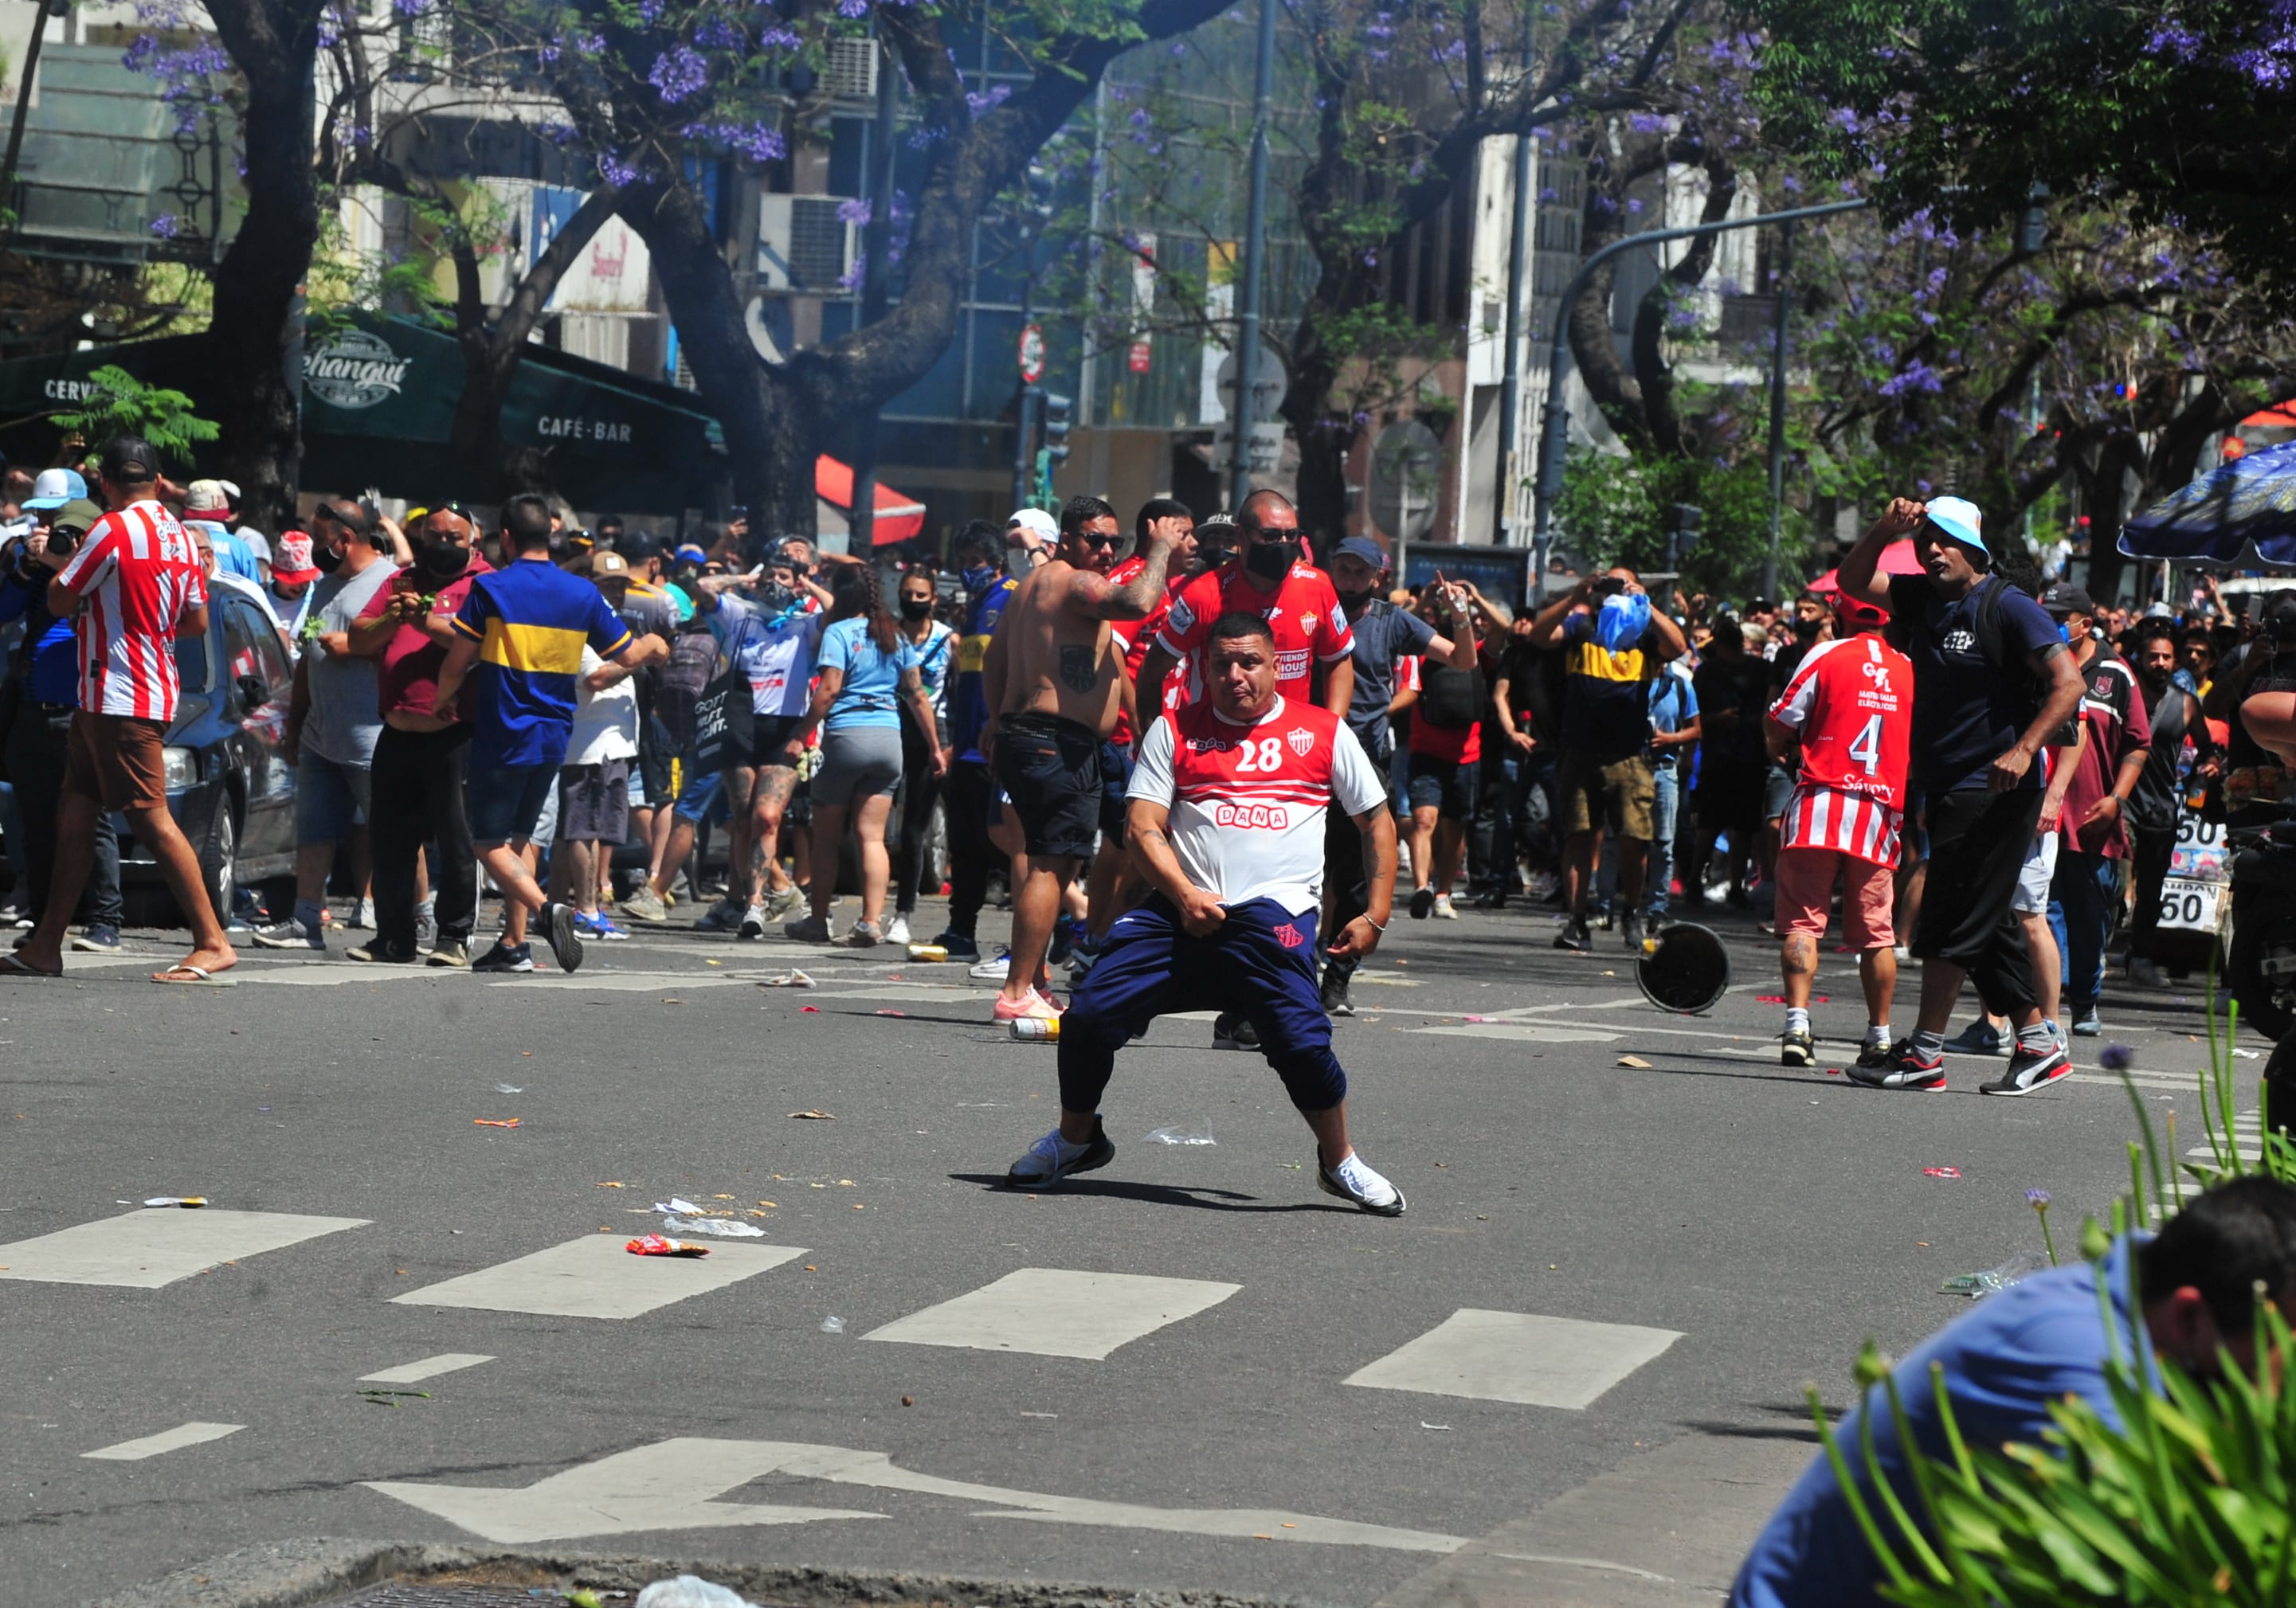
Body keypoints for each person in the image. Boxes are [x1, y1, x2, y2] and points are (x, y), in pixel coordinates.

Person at [1729, 1176, 2296, 1608]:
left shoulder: (2163, 1277)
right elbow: (2150, 1552)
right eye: (2280, 1350)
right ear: (2191, 1316)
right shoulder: (2087, 1365)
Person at [1005, 611, 1407, 1215]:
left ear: (1277, 666)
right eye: (1221, 663)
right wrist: (1184, 894)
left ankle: (1339, 1161)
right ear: (1203, 668)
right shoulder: (1175, 728)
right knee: (1090, 1012)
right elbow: (1142, 827)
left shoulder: (1321, 731)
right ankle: (1077, 1139)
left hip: (1274, 919)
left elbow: (1375, 820)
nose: (1234, 675)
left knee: (1302, 1044)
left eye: (1249, 662)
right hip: (1183, 912)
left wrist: (1375, 914)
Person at [1835, 496, 2084, 1095]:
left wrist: (2025, 748)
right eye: (1924, 544)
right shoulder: (1922, 599)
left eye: (1943, 540)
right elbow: (1851, 581)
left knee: (1947, 923)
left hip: (1996, 788)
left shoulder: (2008, 605)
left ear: (1973, 546)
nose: (1931, 552)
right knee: (1983, 920)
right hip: (1947, 787)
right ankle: (2039, 1042)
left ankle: (1924, 1053)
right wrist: (1886, 528)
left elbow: (2069, 682)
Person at [2, 437, 234, 984]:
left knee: (149, 816)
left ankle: (212, 940)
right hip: (129, 689)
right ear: (157, 481)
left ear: (105, 482)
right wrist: (144, 630)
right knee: (77, 809)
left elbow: (60, 597)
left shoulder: (111, 528)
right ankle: (47, 943)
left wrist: (59, 563)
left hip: (118, 693)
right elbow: (197, 621)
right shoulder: (179, 534)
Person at [430, 494, 665, 974]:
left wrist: (442, 698)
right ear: (552, 538)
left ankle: (546, 910)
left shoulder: (491, 589)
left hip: (503, 732)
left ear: (508, 539)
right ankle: (513, 945)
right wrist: (655, 646)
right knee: (521, 838)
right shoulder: (581, 593)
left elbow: (458, 660)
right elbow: (622, 654)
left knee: (487, 843)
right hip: (556, 734)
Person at [981, 495, 1177, 1022]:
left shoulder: (1029, 589)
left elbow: (996, 657)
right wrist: (1158, 550)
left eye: (1116, 540)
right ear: (1066, 540)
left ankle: (1032, 981)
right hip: (1052, 740)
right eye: (1096, 538)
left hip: (1041, 737)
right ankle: (1018, 987)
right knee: (1050, 862)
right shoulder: (1072, 580)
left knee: (1059, 859)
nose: (1108, 549)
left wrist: (998, 721)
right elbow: (1139, 603)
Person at [1321, 536, 1475, 1014]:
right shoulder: (1313, 610)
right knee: (1307, 868)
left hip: (1364, 758)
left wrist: (1462, 615)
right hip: (1307, 750)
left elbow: (1463, 659)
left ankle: (1338, 977)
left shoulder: (1392, 621)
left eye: (1358, 572)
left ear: (1377, 577)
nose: (1349, 580)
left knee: (1353, 874)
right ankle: (1296, 967)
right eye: (1342, 569)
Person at [1764, 593, 1911, 1068]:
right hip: (1879, 811)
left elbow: (1780, 719)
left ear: (1839, 614)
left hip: (1819, 804)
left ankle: (1797, 1027)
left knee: (1803, 923)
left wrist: (1780, 747)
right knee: (1877, 934)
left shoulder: (1826, 654)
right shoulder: (1910, 668)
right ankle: (1880, 1037)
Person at [252, 496, 398, 951]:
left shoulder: (392, 582)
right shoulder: (328, 583)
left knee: (393, 831)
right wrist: (296, 727)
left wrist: (357, 647)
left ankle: (417, 919)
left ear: (346, 539)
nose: (317, 549)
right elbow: (308, 661)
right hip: (321, 735)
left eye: (321, 540)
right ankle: (305, 922)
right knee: (314, 830)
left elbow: (408, 651)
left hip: (371, 739)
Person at [350, 503, 490, 966]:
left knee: (456, 841)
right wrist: (392, 620)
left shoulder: (485, 583)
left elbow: (484, 643)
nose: (443, 546)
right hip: (396, 731)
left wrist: (423, 623)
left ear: (474, 540)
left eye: (454, 538)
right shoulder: (403, 581)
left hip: (454, 735)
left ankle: (453, 936)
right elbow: (358, 639)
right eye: (434, 537)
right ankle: (393, 937)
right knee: (390, 842)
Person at [1526, 565, 1689, 950]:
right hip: (1579, 751)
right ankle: (1577, 920)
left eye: (1622, 584)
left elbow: (1679, 647)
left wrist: (1644, 602)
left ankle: (1631, 913)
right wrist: (1575, 597)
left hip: (1629, 756)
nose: (1615, 591)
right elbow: (1538, 636)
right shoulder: (1582, 629)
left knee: (1634, 840)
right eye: (1610, 584)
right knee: (1580, 837)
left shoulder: (1646, 637)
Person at [781, 565, 944, 945]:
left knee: (827, 838)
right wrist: (936, 748)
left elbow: (829, 690)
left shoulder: (838, 633)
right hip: (889, 740)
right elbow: (918, 695)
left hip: (846, 737)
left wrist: (800, 733)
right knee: (872, 838)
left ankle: (818, 921)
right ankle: (871, 922)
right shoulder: (895, 635)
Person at [0, 495, 126, 951]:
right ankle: (44, 919)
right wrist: (32, 566)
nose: (61, 538)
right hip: (33, 713)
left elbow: (78, 612)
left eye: (72, 533)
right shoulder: (39, 572)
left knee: (93, 821)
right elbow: (5, 610)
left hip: (80, 711)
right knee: (35, 822)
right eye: (56, 528)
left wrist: (68, 566)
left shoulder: (102, 574)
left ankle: (105, 920)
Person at [2039, 583, 2151, 1037]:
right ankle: (2048, 1009)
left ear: (2085, 623)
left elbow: (2138, 744)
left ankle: (2085, 1001)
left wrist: (2116, 800)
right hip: (2040, 818)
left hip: (2092, 824)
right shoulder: (2039, 665)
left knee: (2089, 919)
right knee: (2042, 915)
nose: (2050, 623)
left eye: (2060, 616)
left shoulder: (2117, 675)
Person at [923, 522, 1017, 964]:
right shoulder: (975, 608)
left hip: (998, 746)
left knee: (1008, 842)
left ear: (996, 561)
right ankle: (961, 930)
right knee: (964, 844)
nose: (967, 571)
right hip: (965, 747)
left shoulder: (1014, 597)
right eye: (963, 563)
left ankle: (1045, 934)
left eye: (974, 562)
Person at [554, 550, 651, 941]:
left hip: (612, 745)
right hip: (588, 746)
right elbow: (594, 678)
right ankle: (587, 910)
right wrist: (642, 655)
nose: (615, 593)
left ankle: (556, 906)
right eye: (607, 585)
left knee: (575, 831)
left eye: (620, 585)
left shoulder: (615, 628)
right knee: (583, 830)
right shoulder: (580, 625)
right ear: (589, 587)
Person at [2122, 616, 2216, 988]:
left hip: (2162, 808)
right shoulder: (2125, 693)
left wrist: (2209, 765)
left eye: (2165, 657)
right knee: (2113, 886)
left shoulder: (2188, 704)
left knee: (2151, 890)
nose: (2159, 663)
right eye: (2153, 657)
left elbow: (2209, 748)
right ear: (2141, 658)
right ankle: (2095, 951)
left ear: (2174, 661)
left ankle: (2141, 958)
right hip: (2122, 803)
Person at [1401, 584, 1484, 921]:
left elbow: (1505, 633)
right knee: (1424, 820)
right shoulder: (1423, 652)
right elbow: (1393, 629)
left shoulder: (1478, 652)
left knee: (1454, 829)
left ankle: (1443, 893)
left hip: (1467, 756)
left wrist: (1474, 600)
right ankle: (1422, 887)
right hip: (1426, 754)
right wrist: (1425, 599)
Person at [887, 566, 957, 948]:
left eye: (920, 595)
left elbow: (962, 693)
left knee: (915, 828)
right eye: (907, 594)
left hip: (935, 733)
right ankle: (870, 911)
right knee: (879, 827)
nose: (913, 601)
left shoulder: (949, 640)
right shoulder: (888, 635)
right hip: (889, 727)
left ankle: (903, 914)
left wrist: (952, 744)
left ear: (933, 598)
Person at [1691, 617, 1773, 911]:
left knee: (1744, 827)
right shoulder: (1707, 672)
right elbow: (1695, 715)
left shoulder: (1760, 669)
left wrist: (1755, 723)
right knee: (1710, 824)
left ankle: (1736, 885)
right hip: (1719, 756)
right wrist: (1718, 719)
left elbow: (1770, 705)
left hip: (1749, 756)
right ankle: (1694, 882)